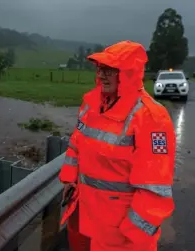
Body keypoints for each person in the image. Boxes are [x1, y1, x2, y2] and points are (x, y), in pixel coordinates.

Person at [59, 40, 176, 251]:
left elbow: (155, 187)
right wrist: (69, 179)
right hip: (82, 215)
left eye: (111, 70)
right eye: (100, 68)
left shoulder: (151, 117)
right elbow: (76, 144)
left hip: (117, 233)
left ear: (128, 73)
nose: (102, 75)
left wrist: (132, 234)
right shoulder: (91, 105)